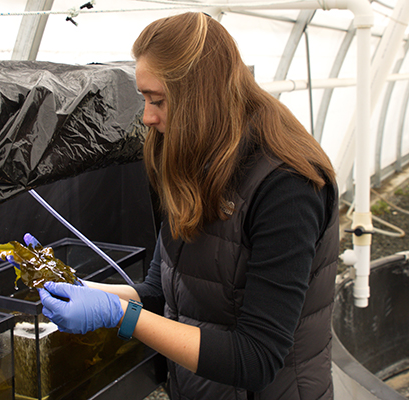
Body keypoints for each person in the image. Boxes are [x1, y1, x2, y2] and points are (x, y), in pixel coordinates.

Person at [37, 12, 339, 400]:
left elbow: (258, 359)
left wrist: (121, 317)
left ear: (200, 96)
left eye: (157, 100)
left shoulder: (287, 188)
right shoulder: (195, 159)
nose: (146, 116)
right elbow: (160, 293)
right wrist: (83, 289)